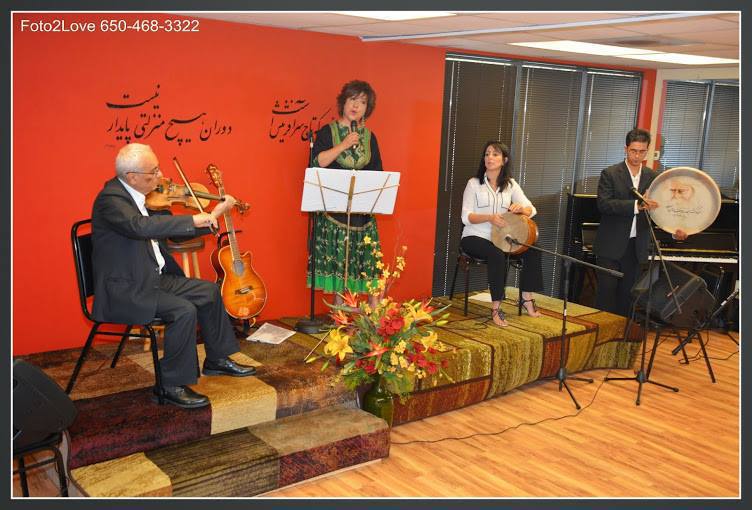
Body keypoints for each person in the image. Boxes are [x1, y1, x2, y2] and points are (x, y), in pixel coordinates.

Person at [91, 143, 256, 409]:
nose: (160, 175)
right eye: (153, 171)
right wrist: (194, 219)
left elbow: (170, 233)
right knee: (183, 310)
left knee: (209, 291)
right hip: (127, 288)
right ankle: (169, 385)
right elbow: (140, 227)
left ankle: (217, 359)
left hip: (152, 278)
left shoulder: (139, 196)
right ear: (132, 176)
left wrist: (212, 217)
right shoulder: (111, 200)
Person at [594, 128, 688, 317]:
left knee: (628, 297)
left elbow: (660, 210)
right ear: (625, 149)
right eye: (633, 151)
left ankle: (623, 334)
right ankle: (603, 335)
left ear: (647, 151)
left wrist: (673, 231)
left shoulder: (653, 177)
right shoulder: (610, 173)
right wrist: (637, 206)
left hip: (636, 247)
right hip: (610, 247)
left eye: (642, 152)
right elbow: (604, 204)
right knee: (606, 296)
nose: (637, 156)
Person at [308, 80, 383, 304]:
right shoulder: (327, 132)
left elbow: (378, 174)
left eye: (362, 102)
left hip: (362, 214)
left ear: (367, 109)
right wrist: (344, 144)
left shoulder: (370, 137)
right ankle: (339, 316)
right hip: (334, 214)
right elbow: (317, 162)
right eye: (352, 100)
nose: (356, 106)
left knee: (368, 268)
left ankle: (372, 315)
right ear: (343, 102)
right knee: (339, 267)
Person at [460, 141, 544, 327]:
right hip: (475, 236)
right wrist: (489, 218)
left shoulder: (510, 185)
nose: (490, 157)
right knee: (496, 253)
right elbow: (466, 217)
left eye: (495, 154)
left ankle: (526, 298)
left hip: (502, 238)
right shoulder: (474, 184)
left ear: (504, 160)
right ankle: (496, 308)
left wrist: (521, 209)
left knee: (534, 249)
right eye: (487, 154)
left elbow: (532, 209)